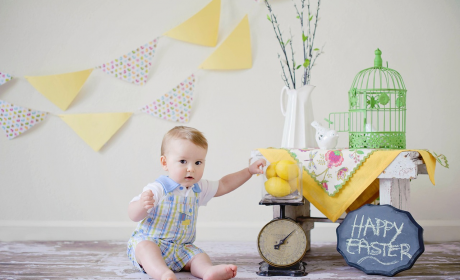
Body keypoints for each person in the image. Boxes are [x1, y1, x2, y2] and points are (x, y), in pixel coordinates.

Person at [127, 126, 266, 280]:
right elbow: (133, 215)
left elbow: (225, 184)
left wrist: (248, 171)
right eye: (183, 161)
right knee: (146, 248)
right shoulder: (159, 188)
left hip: (181, 248)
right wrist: (141, 204)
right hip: (152, 242)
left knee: (198, 256)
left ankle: (207, 271)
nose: (191, 169)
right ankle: (163, 273)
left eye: (198, 162)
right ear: (165, 163)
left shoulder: (198, 188)